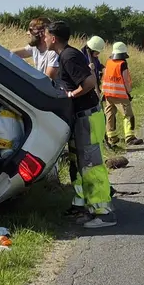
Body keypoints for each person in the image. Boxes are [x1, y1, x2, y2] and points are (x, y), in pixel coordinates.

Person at [43, 21, 115, 228]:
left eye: (46, 36)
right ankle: (82, 205)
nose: (44, 39)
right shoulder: (66, 55)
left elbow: (89, 82)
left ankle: (104, 213)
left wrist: (71, 95)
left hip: (87, 117)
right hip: (80, 118)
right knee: (78, 162)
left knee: (91, 165)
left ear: (53, 38)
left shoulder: (69, 56)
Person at [101, 41, 136, 152]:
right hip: (120, 94)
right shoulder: (122, 63)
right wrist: (128, 91)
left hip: (108, 93)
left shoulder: (109, 62)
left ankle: (112, 138)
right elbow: (125, 79)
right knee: (128, 115)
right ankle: (130, 137)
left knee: (110, 115)